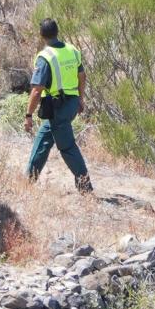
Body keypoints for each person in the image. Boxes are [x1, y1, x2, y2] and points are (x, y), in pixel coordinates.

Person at [22, 18, 93, 193]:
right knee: (43, 139)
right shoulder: (72, 50)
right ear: (57, 31)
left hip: (57, 107)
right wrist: (80, 98)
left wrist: (28, 115)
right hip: (69, 105)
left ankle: (85, 188)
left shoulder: (45, 57)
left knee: (67, 147)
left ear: (41, 35)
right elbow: (82, 76)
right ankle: (28, 181)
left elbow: (37, 91)